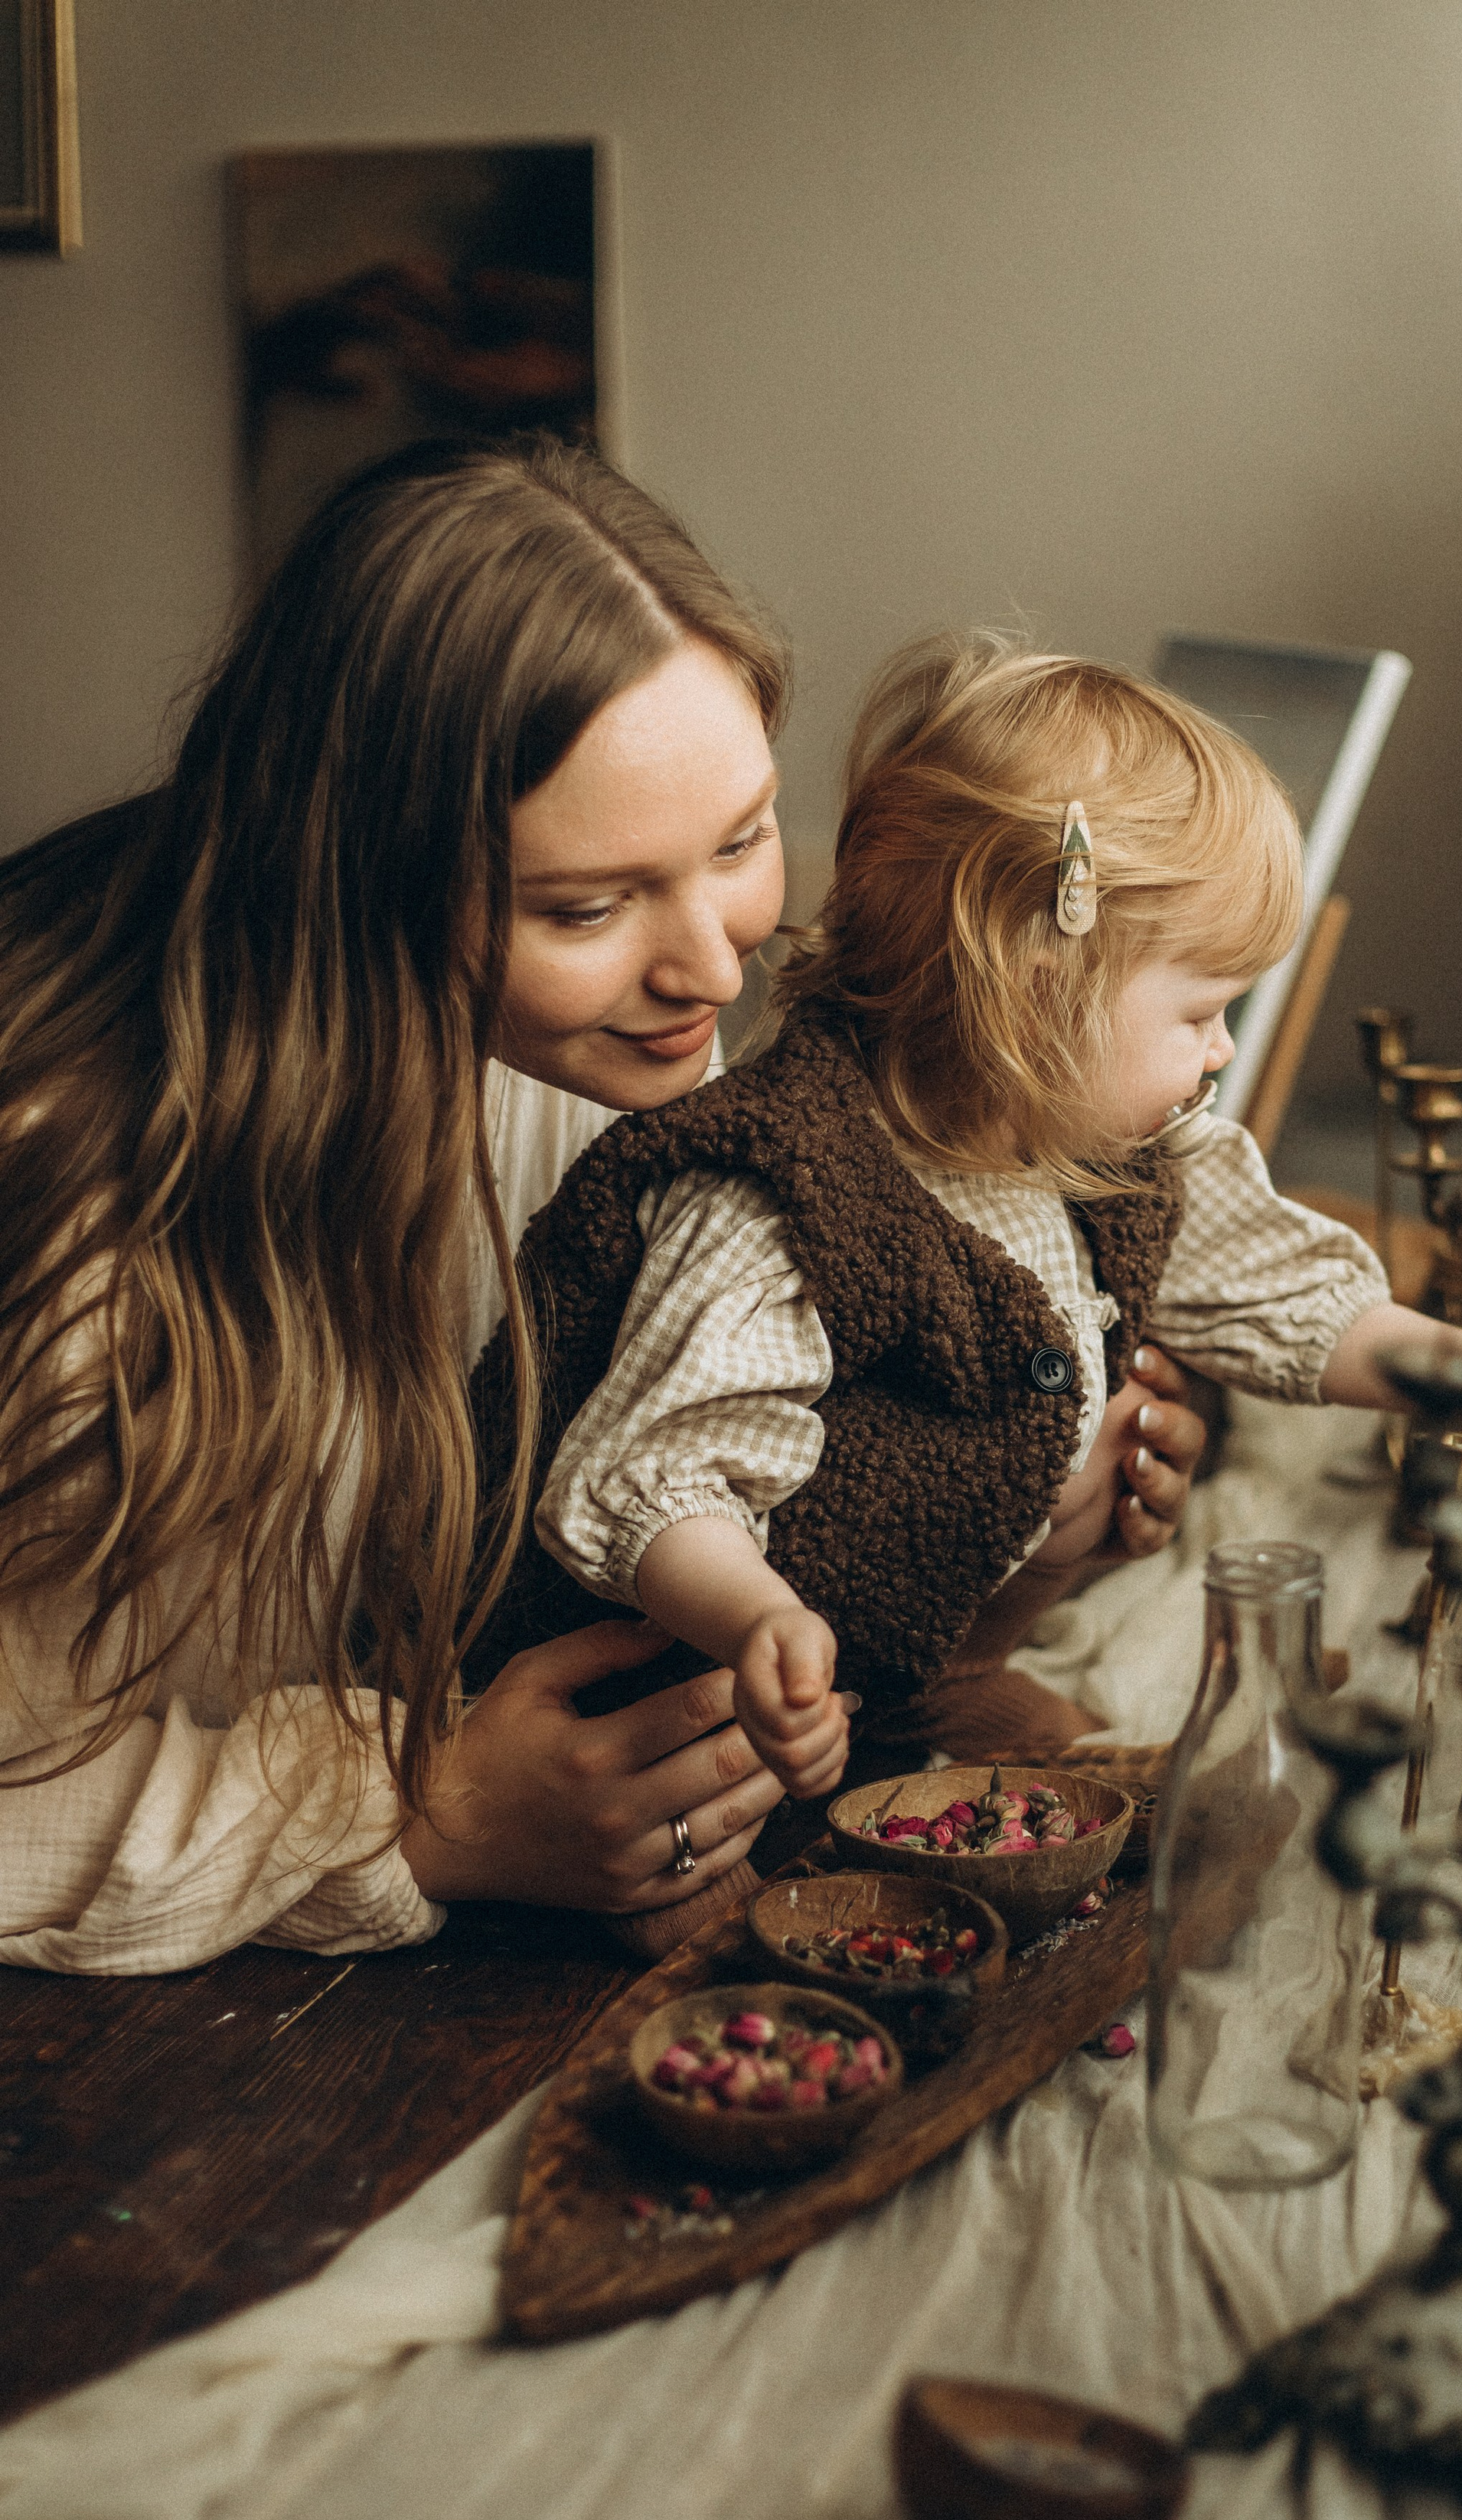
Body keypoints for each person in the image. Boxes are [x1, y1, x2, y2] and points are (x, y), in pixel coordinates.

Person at [0, 438, 1212, 1974]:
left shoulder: (608, 1050)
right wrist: (415, 1817)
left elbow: (644, 1483)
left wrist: (984, 1552)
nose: (712, 969)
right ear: (357, 880)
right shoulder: (72, 1209)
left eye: (739, 841)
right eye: (583, 906)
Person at [475, 634, 1462, 1803]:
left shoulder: (1101, 1147)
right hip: (677, 1673)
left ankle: (942, 1687)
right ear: (1033, 990)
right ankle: (841, 1743)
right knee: (702, 1877)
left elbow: (1289, 1302)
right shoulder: (787, 1190)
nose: (1223, 1053)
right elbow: (657, 1477)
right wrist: (763, 1622)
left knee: (1100, 1494)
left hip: (917, 1609)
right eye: (1203, 1012)